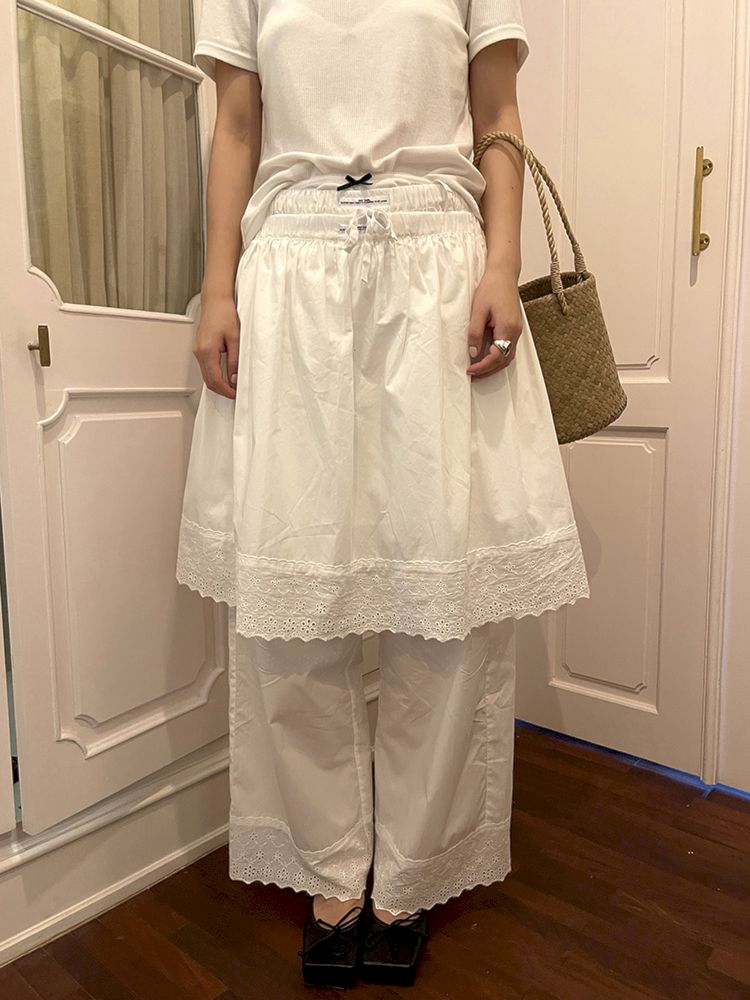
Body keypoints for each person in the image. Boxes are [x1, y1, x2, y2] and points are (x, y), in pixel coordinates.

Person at [176, 0, 591, 988]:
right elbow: (237, 123)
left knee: (445, 605)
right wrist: (217, 288)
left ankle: (411, 872)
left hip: (437, 269)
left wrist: (503, 262)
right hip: (292, 273)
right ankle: (328, 869)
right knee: (290, 607)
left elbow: (497, 111)